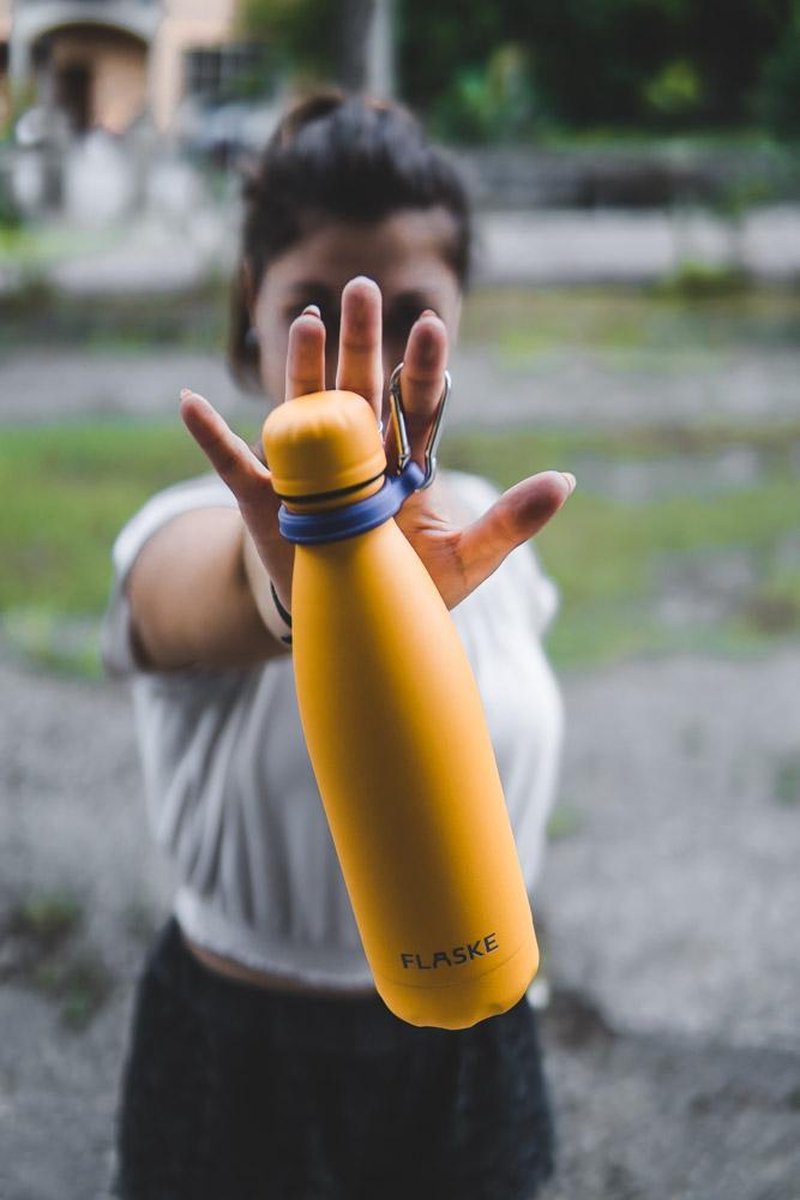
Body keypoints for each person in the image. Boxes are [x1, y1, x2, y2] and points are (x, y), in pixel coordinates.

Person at [103, 89, 575, 1200]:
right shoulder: (189, 529)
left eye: (413, 307)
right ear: (250, 323)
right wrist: (309, 578)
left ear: (456, 318)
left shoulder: (493, 547)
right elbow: (202, 600)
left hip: (475, 1047)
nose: (363, 365)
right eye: (309, 304)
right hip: (237, 1063)